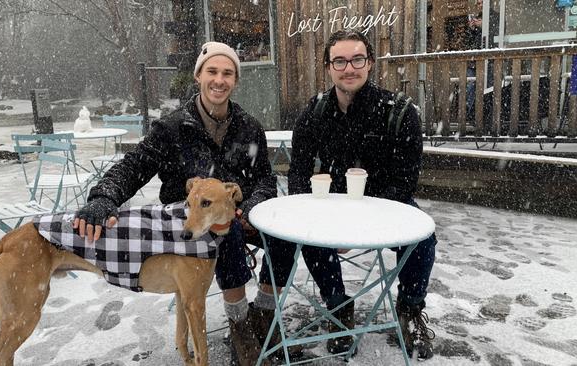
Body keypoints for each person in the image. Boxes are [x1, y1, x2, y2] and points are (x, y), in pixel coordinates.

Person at [73, 41, 277, 366]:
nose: (219, 80)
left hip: (239, 213)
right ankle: (239, 324)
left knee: (282, 237)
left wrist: (253, 204)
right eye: (212, 71)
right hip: (187, 226)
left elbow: (266, 177)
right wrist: (104, 197)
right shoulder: (172, 127)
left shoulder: (249, 126)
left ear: (235, 80)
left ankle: (265, 316)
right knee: (225, 236)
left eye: (227, 73)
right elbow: (134, 165)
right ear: (199, 76)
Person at [285, 30, 438, 360]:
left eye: (357, 59)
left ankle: (410, 310)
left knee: (423, 237)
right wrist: (317, 217)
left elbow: (404, 183)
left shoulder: (398, 112)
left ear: (369, 64)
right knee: (307, 233)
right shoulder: (313, 113)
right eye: (339, 60)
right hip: (328, 208)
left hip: (385, 208)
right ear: (328, 67)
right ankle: (338, 307)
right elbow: (297, 175)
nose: (348, 68)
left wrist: (362, 227)